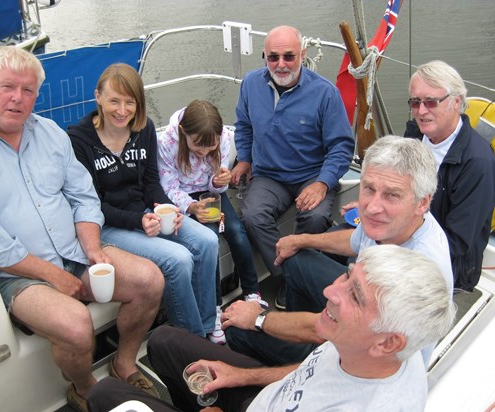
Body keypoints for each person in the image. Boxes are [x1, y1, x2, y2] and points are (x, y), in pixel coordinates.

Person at [0, 47, 164, 412]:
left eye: (28, 90)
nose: (18, 98)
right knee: (76, 325)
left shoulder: (48, 133)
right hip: (14, 274)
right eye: (7, 87)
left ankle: (124, 362)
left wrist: (93, 249)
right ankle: (84, 387)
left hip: (74, 250)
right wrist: (53, 275)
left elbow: (83, 196)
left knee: (150, 281)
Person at [86, 245, 456, 412]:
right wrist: (239, 375)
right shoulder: (359, 349)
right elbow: (309, 372)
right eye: (346, 276)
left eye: (355, 295)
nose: (330, 291)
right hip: (264, 400)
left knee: (104, 397)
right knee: (165, 340)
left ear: (388, 341)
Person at [225, 135, 454, 366]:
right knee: (294, 257)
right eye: (369, 188)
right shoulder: (397, 221)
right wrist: (301, 240)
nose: (372, 207)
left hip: (360, 358)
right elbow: (355, 240)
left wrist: (259, 319)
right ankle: (297, 344)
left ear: (423, 202)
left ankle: (300, 356)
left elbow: (333, 328)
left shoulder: (419, 273)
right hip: (355, 309)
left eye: (392, 195)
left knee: (236, 332)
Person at [67, 64, 222, 342]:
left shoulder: (144, 129)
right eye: (114, 100)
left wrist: (168, 210)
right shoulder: (79, 141)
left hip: (145, 213)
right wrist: (137, 221)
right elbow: (92, 204)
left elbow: (152, 183)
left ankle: (210, 325)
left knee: (208, 241)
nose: (122, 110)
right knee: (179, 259)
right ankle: (192, 341)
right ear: (98, 97)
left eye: (130, 102)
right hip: (108, 226)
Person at [230, 25, 354, 310]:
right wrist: (245, 158)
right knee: (252, 216)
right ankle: (290, 277)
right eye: (273, 57)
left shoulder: (325, 94)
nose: (281, 64)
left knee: (313, 218)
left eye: (289, 56)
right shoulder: (250, 84)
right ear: (264, 56)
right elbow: (244, 125)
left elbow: (341, 147)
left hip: (312, 174)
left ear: (303, 54)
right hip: (269, 176)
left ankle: (302, 274)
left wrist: (322, 182)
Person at [157, 100, 267, 320]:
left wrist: (219, 182)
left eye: (211, 146)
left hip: (210, 192)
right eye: (197, 145)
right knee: (211, 239)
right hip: (184, 198)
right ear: (182, 132)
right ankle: (214, 307)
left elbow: (219, 183)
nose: (204, 151)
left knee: (236, 230)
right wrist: (191, 206)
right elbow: (168, 187)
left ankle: (252, 292)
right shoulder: (166, 143)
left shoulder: (224, 136)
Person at [405, 60, 495, 292]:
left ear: (456, 102)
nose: (421, 111)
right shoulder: (415, 134)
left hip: (448, 269)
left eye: (431, 102)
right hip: (403, 237)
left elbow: (456, 243)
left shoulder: (477, 163)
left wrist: (392, 241)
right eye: (415, 102)